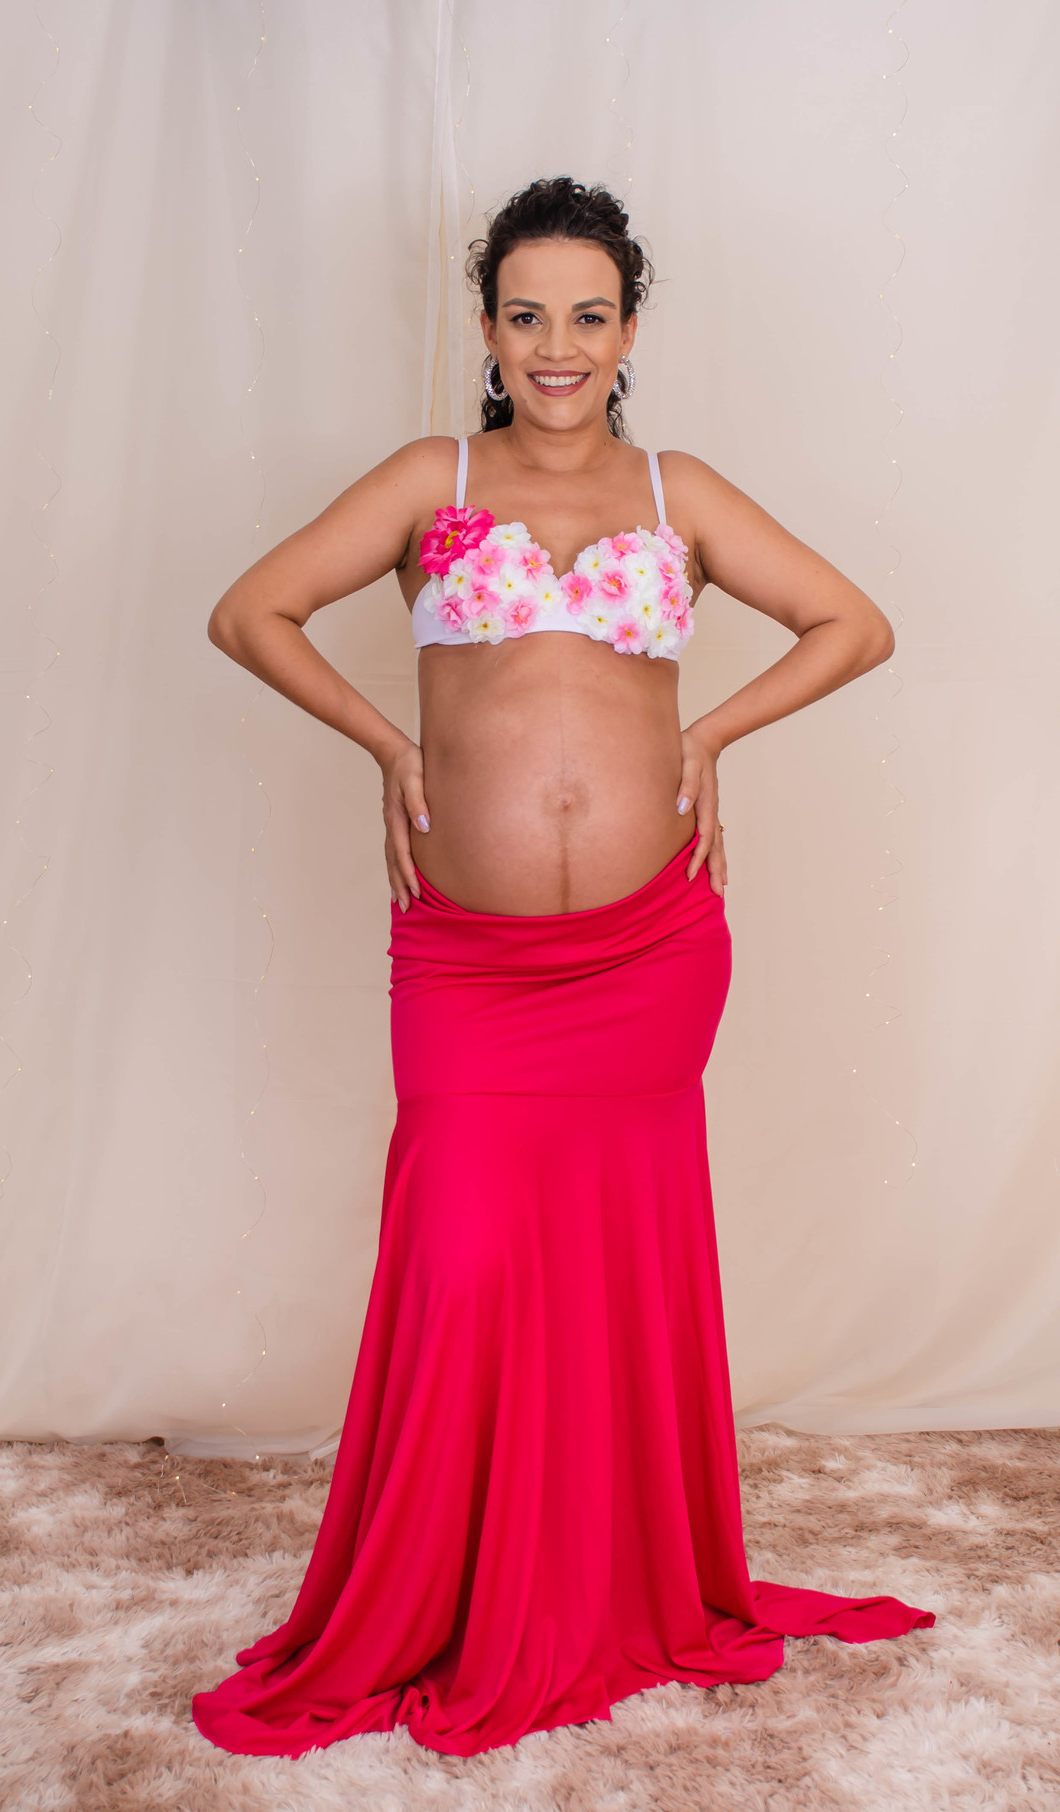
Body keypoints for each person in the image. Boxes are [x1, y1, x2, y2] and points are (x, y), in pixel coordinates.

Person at [192, 175, 933, 1760]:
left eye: (588, 316)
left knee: (618, 1265)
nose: (557, 345)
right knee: (465, 1257)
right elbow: (250, 611)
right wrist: (388, 743)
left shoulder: (678, 490)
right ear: (486, 325)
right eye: (527, 314)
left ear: (629, 331)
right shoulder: (434, 477)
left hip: (650, 950)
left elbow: (854, 626)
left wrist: (709, 737)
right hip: (471, 964)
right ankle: (452, 1592)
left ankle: (606, 1584)